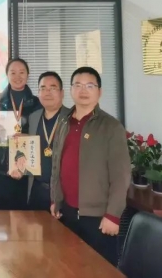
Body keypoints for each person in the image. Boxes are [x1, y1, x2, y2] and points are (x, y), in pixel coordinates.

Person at [50, 67, 131, 267]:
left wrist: (113, 215)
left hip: (98, 218)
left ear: (99, 91)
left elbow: (121, 176)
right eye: (77, 85)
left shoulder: (111, 127)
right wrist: (55, 200)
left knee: (99, 270)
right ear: (70, 90)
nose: (83, 90)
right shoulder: (64, 122)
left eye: (89, 85)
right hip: (67, 213)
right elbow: (57, 165)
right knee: (68, 268)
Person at [0, 58, 41, 210]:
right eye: (13, 73)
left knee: (25, 213)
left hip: (26, 165)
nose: (17, 76)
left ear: (28, 75)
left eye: (22, 72)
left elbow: (42, 132)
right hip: (2, 166)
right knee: (5, 210)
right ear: (7, 75)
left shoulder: (36, 102)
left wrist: (28, 137)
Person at [25, 71, 69, 212]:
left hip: (63, 194)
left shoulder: (72, 118)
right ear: (38, 93)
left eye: (53, 88)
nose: (47, 92)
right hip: (36, 190)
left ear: (62, 93)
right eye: (43, 88)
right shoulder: (33, 117)